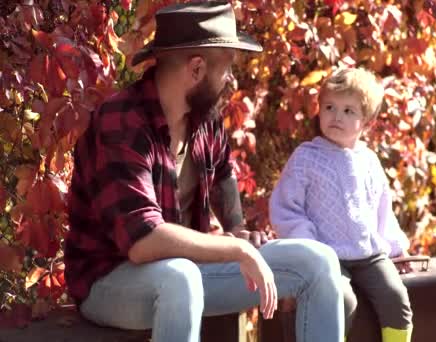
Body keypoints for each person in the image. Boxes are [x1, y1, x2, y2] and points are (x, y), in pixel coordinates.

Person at [64, 2, 344, 342]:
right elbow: (142, 241)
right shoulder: (121, 121)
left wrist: (239, 232)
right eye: (226, 69)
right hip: (109, 280)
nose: (230, 79)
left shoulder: (205, 118)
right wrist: (235, 251)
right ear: (196, 69)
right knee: (180, 278)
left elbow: (223, 172)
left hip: (185, 274)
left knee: (316, 261)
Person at [269, 67, 414, 342]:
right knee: (340, 301)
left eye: (349, 111)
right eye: (330, 107)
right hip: (329, 257)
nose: (337, 116)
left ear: (367, 121)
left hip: (369, 255)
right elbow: (287, 209)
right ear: (319, 110)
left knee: (396, 297)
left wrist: (395, 246)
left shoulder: (369, 161)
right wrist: (308, 247)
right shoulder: (306, 158)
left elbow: (382, 209)